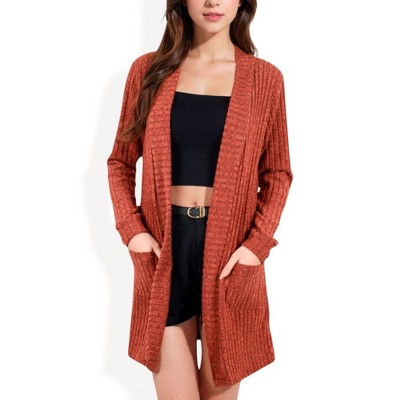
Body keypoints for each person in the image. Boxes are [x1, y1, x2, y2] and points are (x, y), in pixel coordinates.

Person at [107, 0, 293, 398]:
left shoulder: (265, 79)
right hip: (164, 251)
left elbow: (278, 173)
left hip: (230, 256)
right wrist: (133, 231)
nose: (212, 2)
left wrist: (256, 246)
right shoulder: (148, 71)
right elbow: (120, 162)